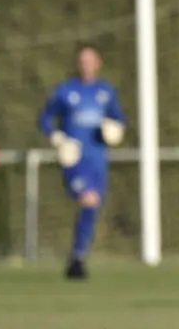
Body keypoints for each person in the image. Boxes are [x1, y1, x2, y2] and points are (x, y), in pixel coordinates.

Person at [38, 44, 125, 280]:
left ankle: (77, 257)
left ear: (98, 63)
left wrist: (114, 130)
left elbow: (118, 119)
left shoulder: (106, 92)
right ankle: (77, 259)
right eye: (82, 60)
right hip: (74, 160)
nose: (86, 64)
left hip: (98, 161)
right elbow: (45, 118)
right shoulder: (65, 91)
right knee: (89, 200)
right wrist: (56, 137)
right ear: (77, 64)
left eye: (90, 60)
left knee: (92, 206)